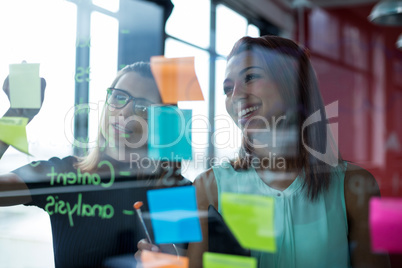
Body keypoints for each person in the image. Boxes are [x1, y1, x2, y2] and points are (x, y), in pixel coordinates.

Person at [137, 36, 391, 268]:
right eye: (227, 88)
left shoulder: (356, 185)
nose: (235, 96)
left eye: (250, 77)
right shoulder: (208, 186)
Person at [0, 62, 190, 268]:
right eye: (119, 97)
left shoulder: (174, 190)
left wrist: (172, 262)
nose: (125, 112)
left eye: (142, 106)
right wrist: (16, 115)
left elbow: (181, 258)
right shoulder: (64, 173)